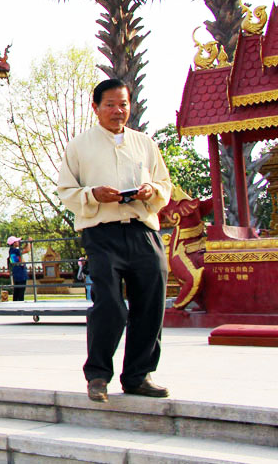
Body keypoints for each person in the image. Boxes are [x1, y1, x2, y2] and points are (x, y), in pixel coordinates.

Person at [57, 78, 172, 403]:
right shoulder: (79, 146)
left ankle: (138, 375)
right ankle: (97, 375)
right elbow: (66, 191)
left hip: (143, 229)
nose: (118, 111)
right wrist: (93, 194)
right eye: (110, 104)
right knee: (109, 305)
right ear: (95, 107)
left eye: (123, 104)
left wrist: (153, 191)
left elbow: (164, 184)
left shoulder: (145, 143)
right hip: (101, 232)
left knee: (150, 302)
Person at [7, 236, 28, 302]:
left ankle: (16, 302)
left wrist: (27, 243)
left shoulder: (12, 250)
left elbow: (23, 249)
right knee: (21, 290)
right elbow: (27, 250)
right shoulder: (15, 250)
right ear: (13, 243)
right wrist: (30, 243)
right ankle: (20, 302)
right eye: (16, 241)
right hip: (20, 272)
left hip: (17, 272)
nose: (18, 242)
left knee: (17, 290)